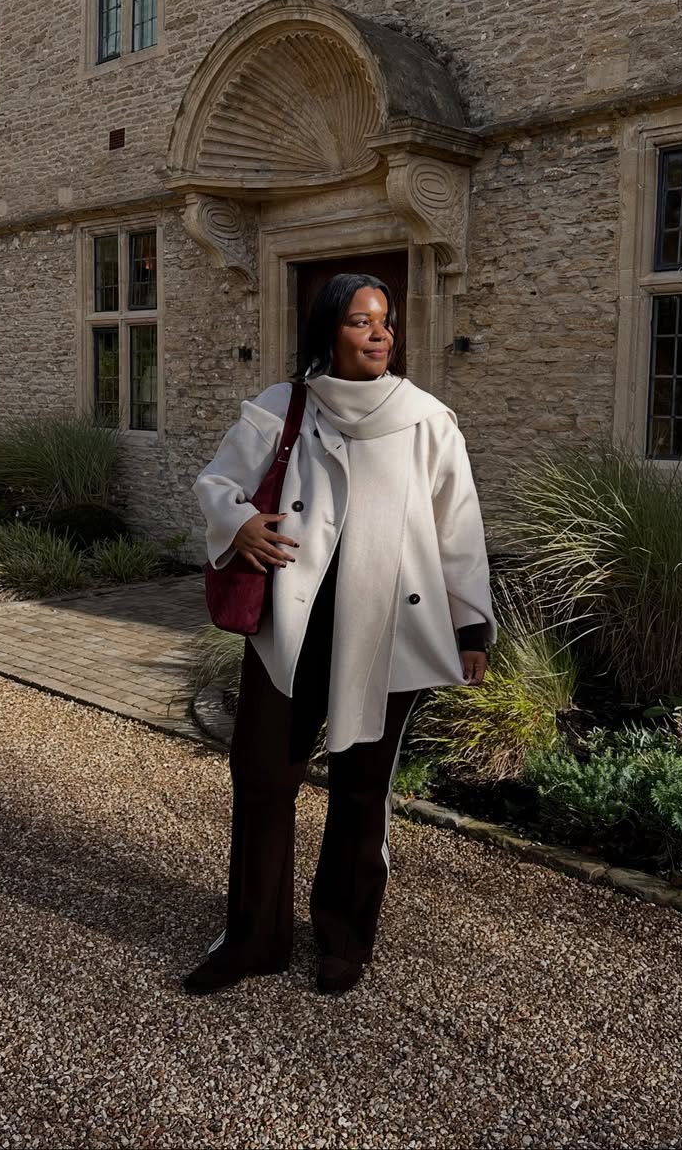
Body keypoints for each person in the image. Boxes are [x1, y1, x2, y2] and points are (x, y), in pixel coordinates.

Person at [187, 273, 495, 996]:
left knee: (362, 791)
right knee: (263, 780)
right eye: (361, 321)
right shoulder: (284, 405)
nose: (380, 333)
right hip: (288, 628)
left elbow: (461, 529)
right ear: (330, 331)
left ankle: (345, 938)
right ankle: (251, 938)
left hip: (390, 630)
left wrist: (471, 625)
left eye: (385, 321)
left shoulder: (427, 420)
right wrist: (240, 525)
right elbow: (216, 483)